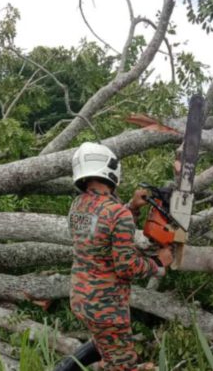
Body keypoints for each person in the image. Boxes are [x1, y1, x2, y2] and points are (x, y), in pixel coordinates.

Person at [67, 142, 173, 371]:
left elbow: (104, 226)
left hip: (81, 299)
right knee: (124, 364)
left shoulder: (77, 205)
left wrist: (133, 207)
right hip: (107, 308)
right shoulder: (117, 214)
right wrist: (157, 263)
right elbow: (127, 267)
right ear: (111, 170)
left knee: (104, 346)